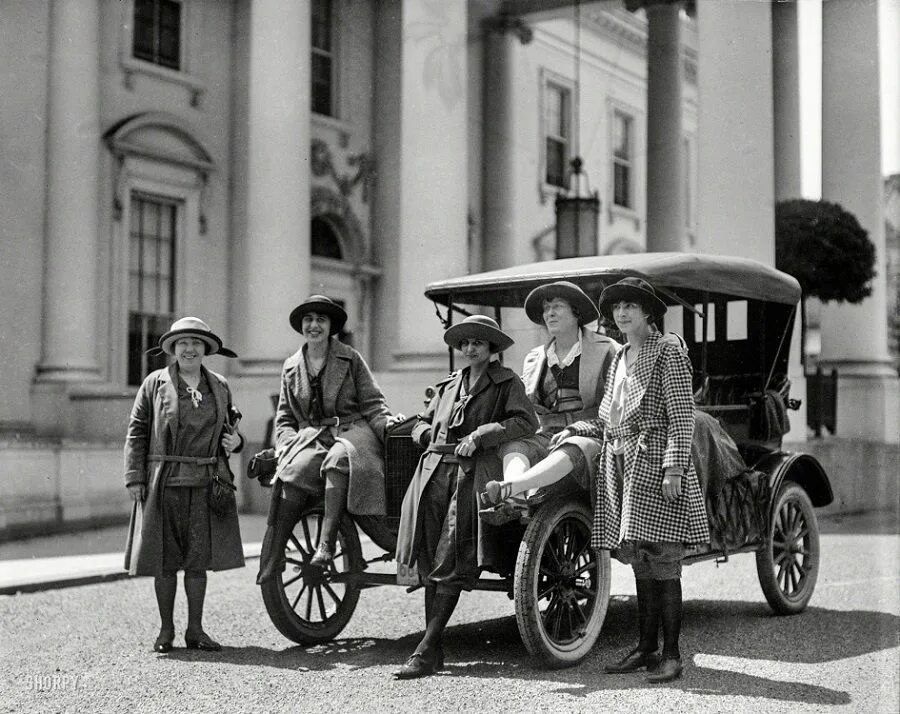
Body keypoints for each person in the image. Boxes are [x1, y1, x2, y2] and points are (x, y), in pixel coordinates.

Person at [547, 277, 709, 682]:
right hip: (622, 464)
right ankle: (645, 648)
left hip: (655, 463)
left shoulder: (667, 351)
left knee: (665, 562)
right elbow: (608, 417)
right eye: (617, 307)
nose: (622, 313)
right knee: (640, 562)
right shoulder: (620, 358)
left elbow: (682, 415)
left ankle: (671, 654)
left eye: (631, 306)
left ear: (648, 313)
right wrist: (577, 431)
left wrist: (674, 467)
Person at [393, 315, 538, 679]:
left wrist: (484, 433)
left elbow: (526, 423)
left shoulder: (507, 383)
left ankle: (425, 650)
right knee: (428, 559)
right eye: (466, 343)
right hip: (433, 475)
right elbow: (422, 422)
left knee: (452, 557)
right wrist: (424, 434)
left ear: (492, 350)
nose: (470, 349)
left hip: (471, 475)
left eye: (479, 343)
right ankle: (434, 648)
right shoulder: (447, 385)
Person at [256, 295, 402, 583]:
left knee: (338, 458)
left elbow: (373, 403)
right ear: (302, 327)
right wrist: (285, 444)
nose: (314, 326)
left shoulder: (350, 358)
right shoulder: (290, 366)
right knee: (291, 473)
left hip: (354, 432)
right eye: (309, 320)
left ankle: (326, 545)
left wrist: (387, 425)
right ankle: (274, 555)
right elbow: (284, 418)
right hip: (313, 436)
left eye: (321, 320)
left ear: (331, 326)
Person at [124, 317, 245, 653]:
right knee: (164, 560)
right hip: (163, 482)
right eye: (182, 343)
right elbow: (136, 433)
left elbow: (229, 432)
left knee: (197, 560)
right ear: (173, 349)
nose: (189, 349)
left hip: (206, 481)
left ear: (205, 348)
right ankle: (166, 631)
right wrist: (134, 477)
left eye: (196, 343)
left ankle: (196, 630)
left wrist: (237, 442)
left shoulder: (219, 385)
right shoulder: (154, 383)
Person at [478, 281, 618, 522]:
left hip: (594, 434)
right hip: (548, 433)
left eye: (557, 306)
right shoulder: (535, 358)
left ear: (576, 312)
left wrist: (577, 429)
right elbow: (528, 408)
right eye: (545, 308)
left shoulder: (607, 350)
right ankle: (517, 495)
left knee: (573, 446)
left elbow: (615, 408)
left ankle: (511, 487)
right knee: (514, 446)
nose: (549, 313)